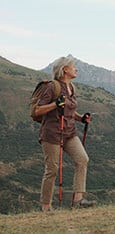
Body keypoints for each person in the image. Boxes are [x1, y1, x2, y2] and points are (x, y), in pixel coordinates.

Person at [35, 56, 96, 211]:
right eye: (73, 66)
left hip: (69, 132)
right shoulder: (52, 87)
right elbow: (38, 110)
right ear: (64, 70)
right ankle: (46, 207)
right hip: (52, 133)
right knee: (52, 169)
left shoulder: (72, 88)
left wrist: (81, 118)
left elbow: (68, 110)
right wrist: (55, 104)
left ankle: (78, 200)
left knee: (82, 159)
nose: (76, 69)